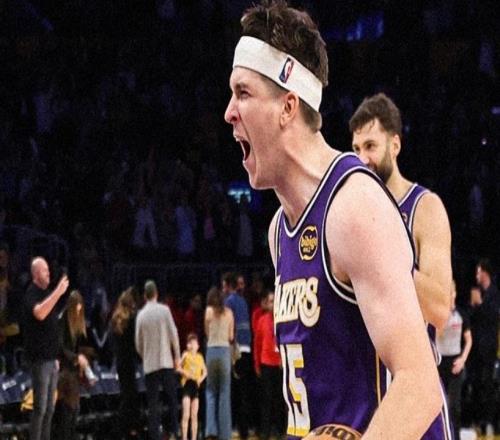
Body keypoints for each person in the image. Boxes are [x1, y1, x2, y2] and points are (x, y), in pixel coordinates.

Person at [224, 1, 449, 438]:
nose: (229, 111)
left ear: (288, 106)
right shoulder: (279, 230)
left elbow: (420, 386)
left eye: (243, 93)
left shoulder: (352, 206)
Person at [350, 93, 452, 336]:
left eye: (370, 146)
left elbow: (440, 310)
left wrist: (383, 259)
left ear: (395, 145)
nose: (362, 159)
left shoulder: (425, 207)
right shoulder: (351, 210)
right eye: (356, 149)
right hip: (363, 358)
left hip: (412, 358)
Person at [23, 257, 69, 440]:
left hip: (51, 359)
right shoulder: (31, 293)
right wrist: (58, 292)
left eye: (48, 270)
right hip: (39, 360)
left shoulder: (48, 293)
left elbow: (52, 328)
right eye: (45, 270)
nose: (48, 273)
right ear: (36, 274)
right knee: (40, 408)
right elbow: (40, 313)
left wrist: (56, 356)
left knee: (50, 408)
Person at [135, 280, 181, 440]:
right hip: (166, 361)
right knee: (172, 399)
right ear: (156, 293)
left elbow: (138, 342)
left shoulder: (141, 315)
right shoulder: (165, 310)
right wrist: (177, 357)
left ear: (144, 295)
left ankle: (155, 436)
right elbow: (174, 334)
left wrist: (145, 355)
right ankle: (174, 431)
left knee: (153, 403)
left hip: (150, 365)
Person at [53, 290, 92, 440]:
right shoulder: (62, 320)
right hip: (64, 371)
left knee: (74, 410)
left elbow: (78, 346)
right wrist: (76, 358)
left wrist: (83, 359)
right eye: (76, 308)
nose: (78, 311)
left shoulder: (77, 324)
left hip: (73, 371)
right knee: (67, 410)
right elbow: (60, 347)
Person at [437, 281, 473, 440]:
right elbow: (435, 335)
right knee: (439, 405)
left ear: (455, 294)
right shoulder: (438, 315)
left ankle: (455, 436)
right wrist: (444, 315)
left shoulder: (461, 314)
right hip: (440, 363)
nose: (450, 296)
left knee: (454, 406)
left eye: (451, 293)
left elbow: (469, 340)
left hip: (456, 362)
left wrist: (462, 359)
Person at [467, 259, 499, 435]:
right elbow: (471, 318)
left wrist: (480, 304)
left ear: (485, 273)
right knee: (475, 385)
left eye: (479, 272)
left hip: (489, 349)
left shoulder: (494, 293)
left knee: (488, 386)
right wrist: (474, 305)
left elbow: (493, 316)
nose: (477, 276)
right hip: (476, 349)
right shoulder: (477, 292)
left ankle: (488, 422)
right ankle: (476, 421)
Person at [222, 271, 252, 439]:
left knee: (235, 392)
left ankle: (235, 427)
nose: (222, 289)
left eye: (223, 286)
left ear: (228, 285)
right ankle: (245, 429)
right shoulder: (243, 301)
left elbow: (230, 329)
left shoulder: (229, 302)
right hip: (247, 349)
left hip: (236, 351)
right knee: (244, 392)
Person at [253, 290, 284, 440]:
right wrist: (257, 364)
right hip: (266, 363)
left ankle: (279, 430)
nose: (273, 304)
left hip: (280, 364)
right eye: (271, 301)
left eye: (275, 301)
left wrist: (283, 359)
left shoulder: (282, 320)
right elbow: (257, 344)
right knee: (266, 400)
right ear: (266, 303)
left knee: (279, 399)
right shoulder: (262, 320)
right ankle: (265, 431)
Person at [204, 286, 234, 440]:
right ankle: (225, 434)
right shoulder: (229, 313)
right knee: (224, 392)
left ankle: (210, 430)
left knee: (210, 391)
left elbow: (206, 332)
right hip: (224, 352)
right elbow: (231, 336)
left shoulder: (208, 312)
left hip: (211, 351)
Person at [111, 287, 140, 439]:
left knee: (126, 395)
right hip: (129, 361)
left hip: (120, 361)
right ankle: (124, 429)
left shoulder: (115, 319)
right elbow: (135, 343)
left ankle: (126, 429)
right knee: (130, 396)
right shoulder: (131, 320)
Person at [178, 333, 207, 440]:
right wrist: (185, 373)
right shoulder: (186, 354)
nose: (192, 345)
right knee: (186, 414)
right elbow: (178, 367)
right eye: (190, 343)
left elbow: (205, 371)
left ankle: (194, 437)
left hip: (195, 386)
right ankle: (184, 437)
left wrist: (201, 378)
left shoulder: (200, 357)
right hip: (187, 386)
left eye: (194, 343)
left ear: (198, 346)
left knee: (194, 415)